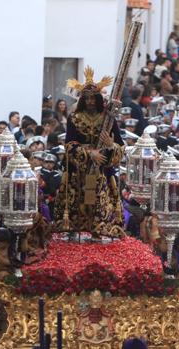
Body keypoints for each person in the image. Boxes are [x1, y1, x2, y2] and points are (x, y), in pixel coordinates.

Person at [53, 67, 126, 237]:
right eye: (87, 99)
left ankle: (100, 228)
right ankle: (75, 229)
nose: (91, 102)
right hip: (79, 170)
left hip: (101, 170)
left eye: (94, 98)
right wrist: (89, 153)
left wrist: (110, 146)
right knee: (78, 199)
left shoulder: (108, 119)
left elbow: (120, 147)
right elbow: (69, 144)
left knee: (99, 200)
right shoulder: (74, 118)